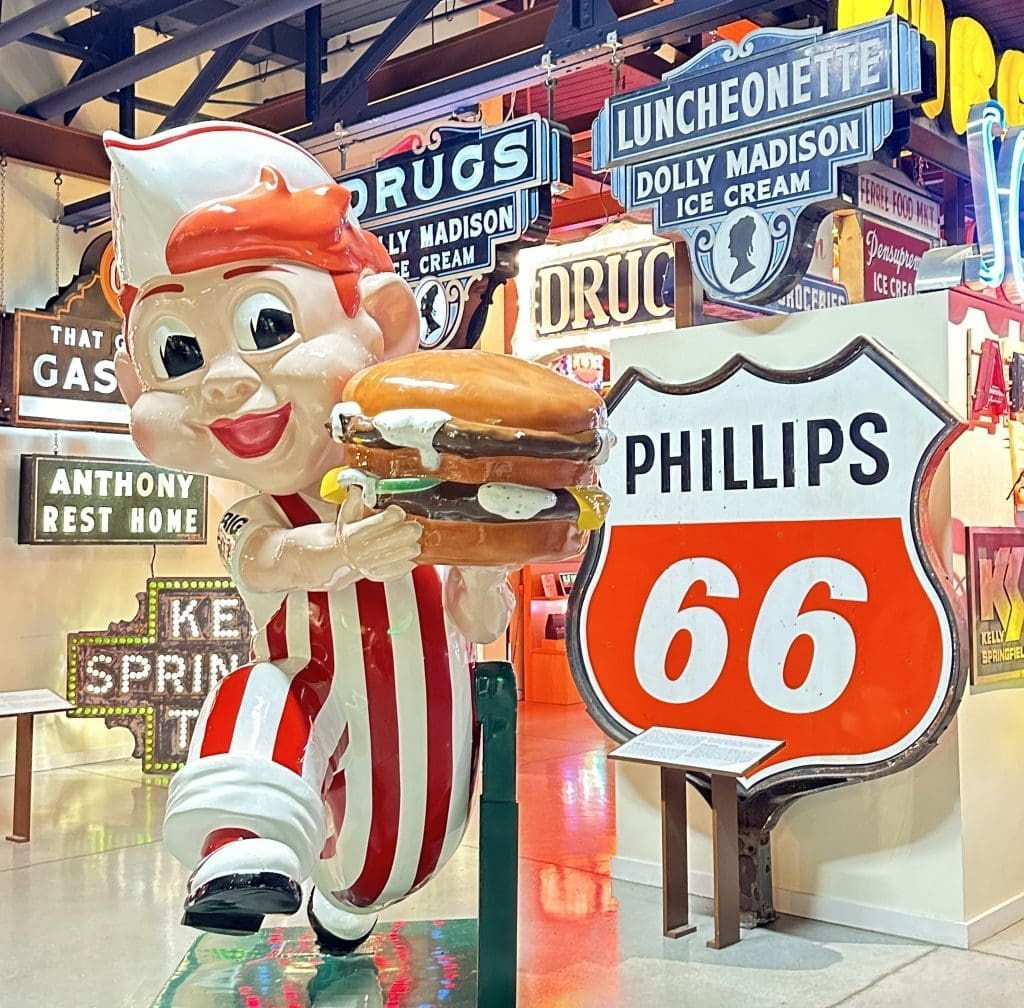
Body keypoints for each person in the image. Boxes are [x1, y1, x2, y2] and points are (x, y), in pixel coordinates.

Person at [106, 121, 514, 953]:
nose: (223, 384)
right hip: (314, 724)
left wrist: (487, 569)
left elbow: (478, 622)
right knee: (262, 688)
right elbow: (261, 558)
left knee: (373, 871)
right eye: (179, 353)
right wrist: (342, 552)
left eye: (266, 325)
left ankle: (345, 912)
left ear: (384, 327)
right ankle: (243, 845)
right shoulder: (251, 507)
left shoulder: (428, 488)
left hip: (429, 762)